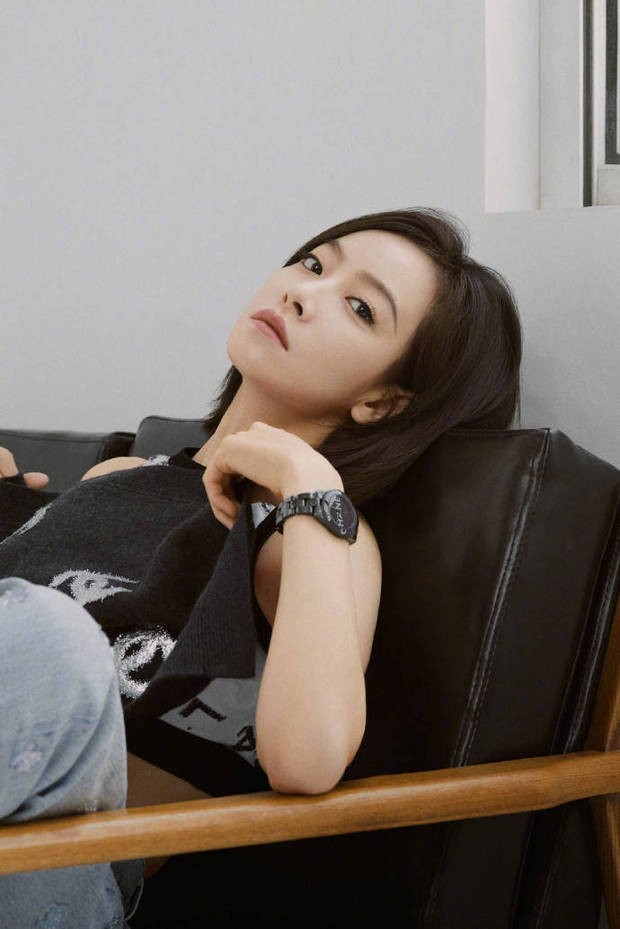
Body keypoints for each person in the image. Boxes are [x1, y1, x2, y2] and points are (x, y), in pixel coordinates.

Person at [0, 206, 522, 927]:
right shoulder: (119, 477)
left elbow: (306, 761)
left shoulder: (315, 535)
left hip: (60, 877)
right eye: (313, 263)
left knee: (52, 640)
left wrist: (310, 488)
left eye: (360, 307)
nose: (304, 292)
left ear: (381, 400)